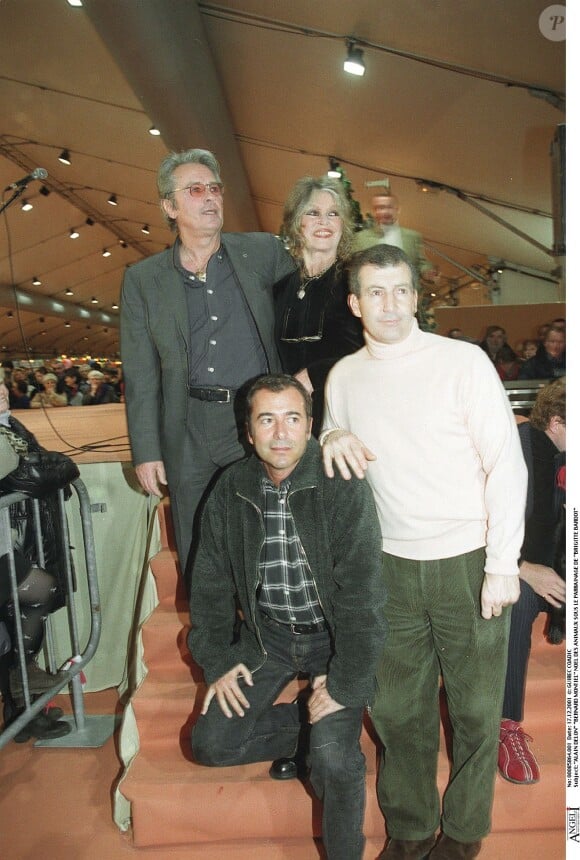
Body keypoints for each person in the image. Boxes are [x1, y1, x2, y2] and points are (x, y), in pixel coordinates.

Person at [320, 244, 526, 860]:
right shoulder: (345, 375)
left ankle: (463, 835)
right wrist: (329, 431)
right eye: (376, 293)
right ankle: (409, 832)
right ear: (356, 303)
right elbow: (334, 438)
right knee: (397, 712)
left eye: (402, 290)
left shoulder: (462, 362)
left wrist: (502, 563)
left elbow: (505, 464)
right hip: (388, 567)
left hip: (468, 559)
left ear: (416, 296)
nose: (391, 304)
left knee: (476, 710)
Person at [188, 374, 387, 860]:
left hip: (333, 642)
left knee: (335, 765)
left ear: (311, 427)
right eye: (267, 419)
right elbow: (210, 582)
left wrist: (342, 686)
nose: (280, 433)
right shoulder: (231, 487)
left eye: (292, 418)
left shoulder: (342, 485)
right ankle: (311, 733)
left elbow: (364, 596)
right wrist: (216, 658)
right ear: (249, 431)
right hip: (267, 638)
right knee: (211, 744)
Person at [121, 148, 295, 574]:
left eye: (214, 188)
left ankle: (266, 632)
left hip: (254, 421)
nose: (210, 197)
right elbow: (140, 374)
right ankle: (212, 638)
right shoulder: (143, 281)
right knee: (199, 549)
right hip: (188, 428)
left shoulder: (263, 252)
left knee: (266, 539)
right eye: (195, 190)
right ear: (170, 206)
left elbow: (311, 296)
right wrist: (146, 451)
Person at [498, 378, 566, 784]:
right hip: (506, 568)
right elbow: (473, 520)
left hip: (552, 569)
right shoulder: (514, 446)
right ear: (556, 422)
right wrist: (523, 567)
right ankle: (506, 725)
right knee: (518, 597)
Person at [274, 176, 363, 433]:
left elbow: (367, 353)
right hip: (290, 420)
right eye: (313, 213)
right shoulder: (280, 288)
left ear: (343, 224)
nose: (324, 221)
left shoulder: (354, 282)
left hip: (343, 416)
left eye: (333, 214)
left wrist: (309, 376)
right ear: (296, 223)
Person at [352, 190, 434, 277]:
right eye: (380, 208)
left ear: (398, 209)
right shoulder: (360, 238)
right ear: (373, 211)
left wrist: (428, 272)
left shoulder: (412, 237)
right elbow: (353, 268)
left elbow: (421, 264)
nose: (385, 212)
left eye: (389, 207)